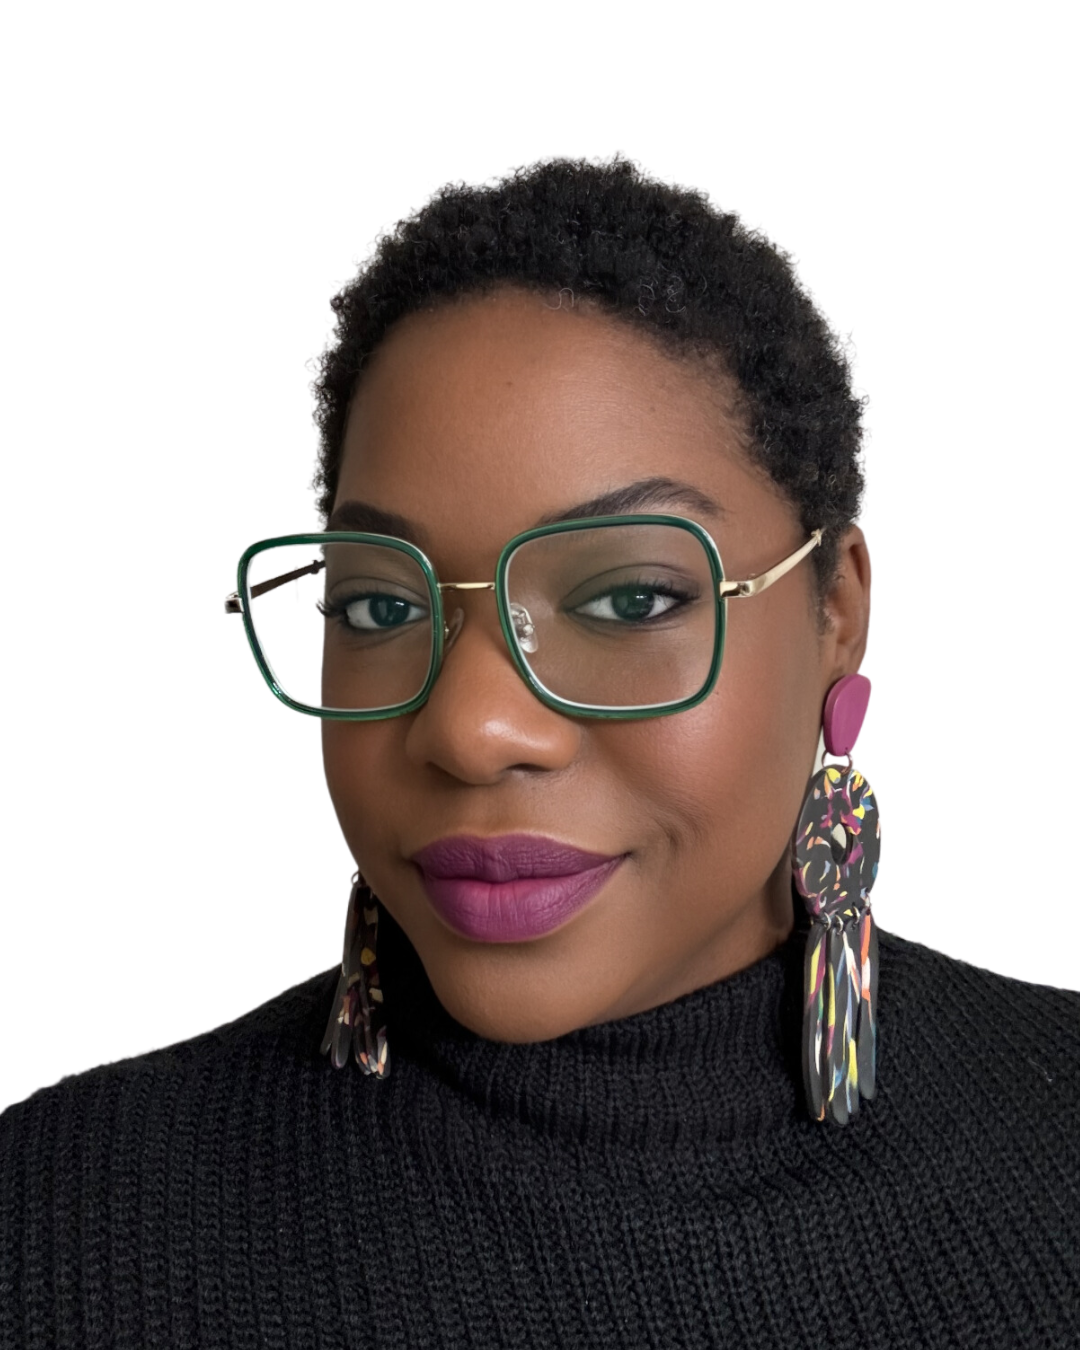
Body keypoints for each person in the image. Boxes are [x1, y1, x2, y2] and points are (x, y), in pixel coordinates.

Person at [2, 157, 1076, 1348]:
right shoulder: (56, 1231)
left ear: (837, 612)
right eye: (379, 605)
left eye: (628, 599)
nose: (470, 730)